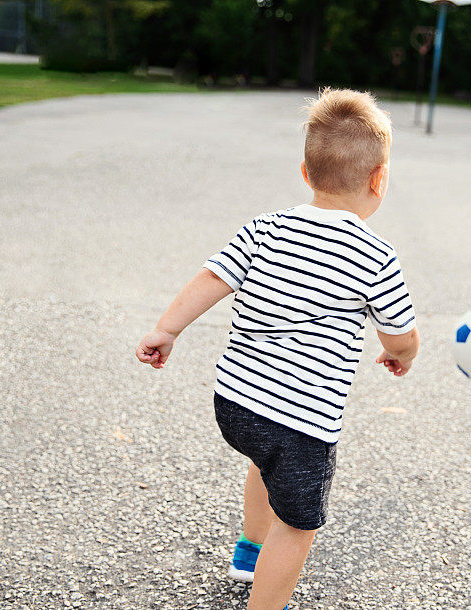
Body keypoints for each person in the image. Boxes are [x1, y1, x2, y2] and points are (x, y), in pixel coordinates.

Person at [134, 87, 420, 610]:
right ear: (380, 180)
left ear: (306, 173)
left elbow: (212, 277)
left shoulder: (264, 228)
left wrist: (166, 329)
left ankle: (248, 554)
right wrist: (403, 354)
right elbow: (399, 333)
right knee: (297, 524)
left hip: (236, 405)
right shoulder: (377, 255)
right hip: (301, 423)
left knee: (267, 465)